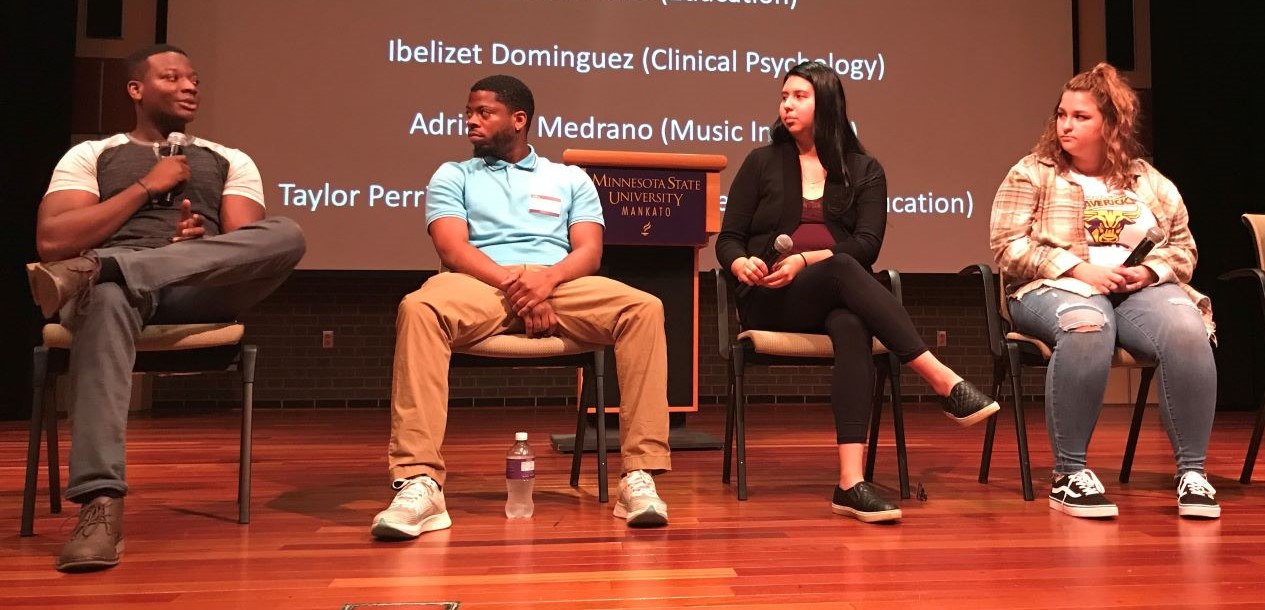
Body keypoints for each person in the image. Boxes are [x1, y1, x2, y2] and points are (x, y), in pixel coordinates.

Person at [26, 44, 307, 572]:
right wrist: (144, 187)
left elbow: (249, 247)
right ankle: (100, 504)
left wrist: (191, 251)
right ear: (136, 89)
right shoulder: (92, 155)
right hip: (111, 298)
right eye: (173, 77)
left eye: (194, 79)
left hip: (192, 287)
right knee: (108, 293)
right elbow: (52, 241)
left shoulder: (230, 159)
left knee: (287, 234)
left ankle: (109, 268)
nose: (189, 86)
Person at [372, 75, 671, 539]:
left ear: (519, 119)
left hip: (558, 283)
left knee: (643, 308)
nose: (470, 121)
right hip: (482, 282)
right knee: (420, 308)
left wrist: (546, 281)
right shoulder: (453, 175)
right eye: (468, 112)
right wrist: (518, 286)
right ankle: (420, 481)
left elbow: (589, 252)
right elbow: (453, 249)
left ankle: (640, 475)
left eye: (482, 112)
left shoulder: (569, 178)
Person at [716, 61, 999, 524]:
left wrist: (808, 259)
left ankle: (849, 482)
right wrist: (739, 261)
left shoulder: (864, 170)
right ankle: (942, 380)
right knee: (843, 267)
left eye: (799, 96)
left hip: (830, 298)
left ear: (826, 103)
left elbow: (867, 244)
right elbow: (729, 238)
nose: (787, 104)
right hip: (770, 298)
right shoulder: (760, 162)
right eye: (784, 96)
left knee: (851, 324)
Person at [989, 63, 1218, 520]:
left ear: (1112, 125)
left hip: (1133, 291)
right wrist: (1078, 268)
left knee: (1188, 329)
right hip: (1050, 286)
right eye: (1061, 115)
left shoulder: (1147, 182)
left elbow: (1183, 248)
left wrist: (1149, 273)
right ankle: (1069, 473)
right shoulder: (1033, 173)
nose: (1065, 125)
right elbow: (1006, 246)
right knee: (1088, 322)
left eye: (1080, 117)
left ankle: (1192, 472)